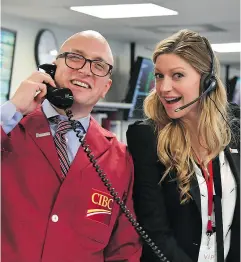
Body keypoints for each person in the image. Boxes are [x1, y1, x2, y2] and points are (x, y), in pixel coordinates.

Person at [1, 30, 142, 262]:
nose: (86, 70)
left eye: (99, 65)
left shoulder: (119, 157)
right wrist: (14, 108)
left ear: (106, 87)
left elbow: (124, 249)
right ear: (52, 68)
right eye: (75, 57)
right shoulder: (11, 128)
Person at [127, 29, 240, 262]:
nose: (164, 87)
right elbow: (154, 230)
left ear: (206, 80)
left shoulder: (235, 130)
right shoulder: (147, 136)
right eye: (159, 76)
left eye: (177, 75)